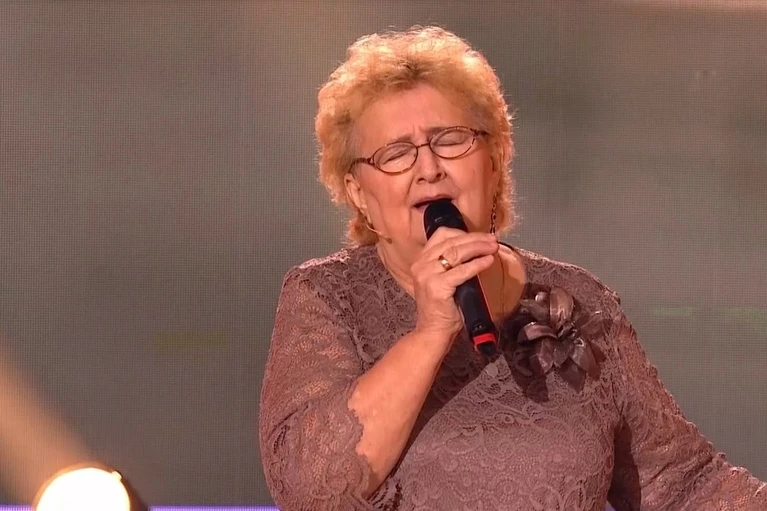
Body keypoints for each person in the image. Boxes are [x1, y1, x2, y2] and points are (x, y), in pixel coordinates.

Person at [258, 26, 766, 510]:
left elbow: (683, 484)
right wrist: (430, 334)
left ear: (495, 159)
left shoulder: (578, 300)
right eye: (396, 153)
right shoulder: (326, 296)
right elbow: (311, 490)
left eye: (450, 139)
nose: (429, 168)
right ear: (358, 193)